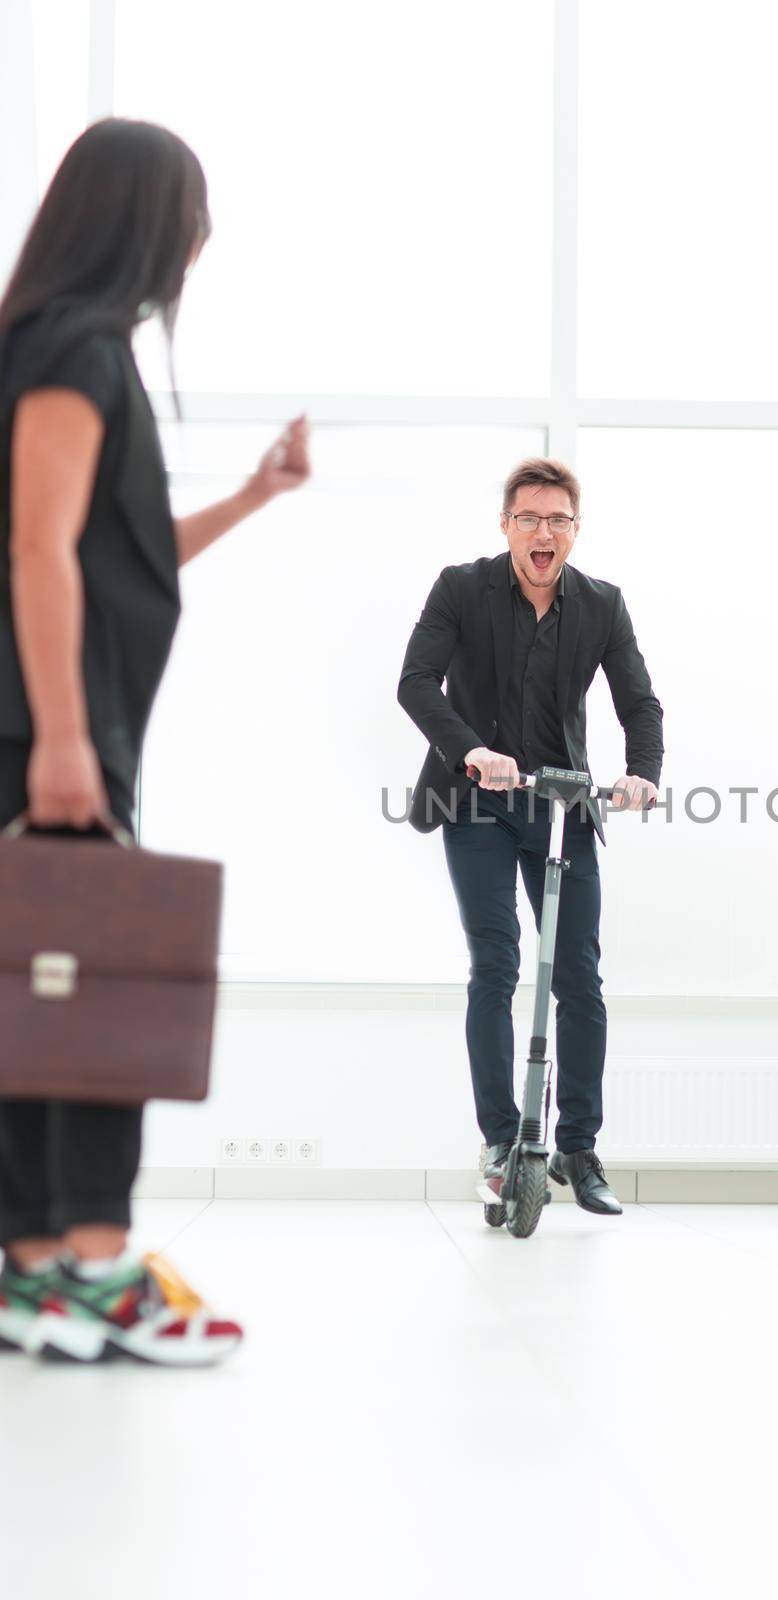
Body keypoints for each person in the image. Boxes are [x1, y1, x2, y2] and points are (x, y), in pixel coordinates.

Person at [0, 120, 310, 1364]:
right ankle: (85, 1259)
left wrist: (250, 496)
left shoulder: (62, 348)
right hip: (49, 731)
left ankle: (38, 1267)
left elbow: (107, 556)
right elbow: (32, 548)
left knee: (41, 988)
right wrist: (63, 739)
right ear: (142, 220)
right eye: (192, 212)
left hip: (54, 725)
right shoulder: (73, 350)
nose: (202, 238)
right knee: (88, 988)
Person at [398, 457, 662, 1216]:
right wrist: (470, 749)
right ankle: (502, 1141)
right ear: (506, 527)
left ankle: (578, 1149)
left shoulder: (602, 605)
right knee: (496, 963)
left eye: (557, 520)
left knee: (578, 975)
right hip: (477, 801)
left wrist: (640, 772)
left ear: (575, 531)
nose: (542, 533)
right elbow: (416, 681)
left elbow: (639, 704)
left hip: (562, 804)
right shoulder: (460, 588)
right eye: (528, 518)